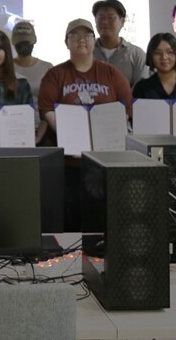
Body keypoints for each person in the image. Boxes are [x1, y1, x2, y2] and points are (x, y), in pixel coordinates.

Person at [37, 18, 132, 230]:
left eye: (87, 35)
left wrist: (101, 140)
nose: (81, 40)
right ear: (66, 42)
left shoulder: (111, 74)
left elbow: (124, 110)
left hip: (104, 163)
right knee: (70, 220)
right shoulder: (55, 75)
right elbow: (47, 110)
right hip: (68, 164)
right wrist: (74, 140)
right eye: (75, 36)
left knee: (101, 220)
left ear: (94, 41)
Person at [92, 0, 147, 86]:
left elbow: (141, 89)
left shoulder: (136, 54)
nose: (105, 22)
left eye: (110, 18)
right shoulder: (86, 52)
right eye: (101, 17)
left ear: (122, 21)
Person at [10, 20, 53, 110]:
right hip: (12, 117)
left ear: (34, 41)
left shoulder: (47, 68)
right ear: (13, 42)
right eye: (20, 42)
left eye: (26, 42)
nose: (23, 46)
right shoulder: (6, 67)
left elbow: (52, 101)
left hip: (42, 118)